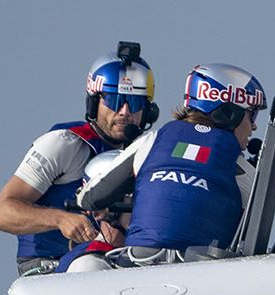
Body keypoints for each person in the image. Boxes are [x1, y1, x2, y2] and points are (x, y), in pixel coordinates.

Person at [71, 63, 264, 269]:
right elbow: (254, 238)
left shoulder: (153, 140)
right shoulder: (244, 170)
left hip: (137, 264)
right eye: (251, 114)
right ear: (229, 113)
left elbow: (89, 198)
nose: (254, 125)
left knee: (86, 265)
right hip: (204, 275)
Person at [0, 44, 156, 277]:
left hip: (113, 262)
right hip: (49, 267)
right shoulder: (64, 144)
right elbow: (0, 213)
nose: (125, 111)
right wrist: (60, 219)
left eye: (135, 102)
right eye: (115, 100)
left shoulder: (147, 152)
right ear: (94, 101)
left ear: (149, 111)